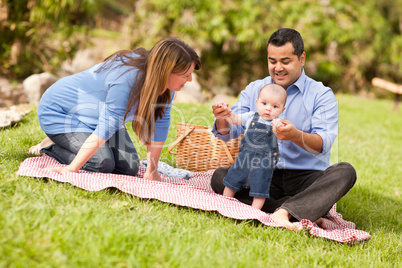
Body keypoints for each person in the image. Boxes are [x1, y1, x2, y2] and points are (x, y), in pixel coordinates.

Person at [211, 28, 356, 230]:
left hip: (305, 177)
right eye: (272, 61)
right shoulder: (256, 89)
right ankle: (301, 210)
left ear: (302, 58)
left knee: (345, 172)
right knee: (220, 178)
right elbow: (229, 133)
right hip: (262, 173)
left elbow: (322, 144)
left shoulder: (321, 95)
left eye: (285, 61)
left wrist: (295, 136)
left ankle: (286, 210)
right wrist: (222, 119)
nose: (277, 68)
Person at [28, 37, 201, 181]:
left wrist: (152, 170)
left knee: (129, 168)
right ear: (166, 70)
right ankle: (49, 146)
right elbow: (106, 127)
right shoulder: (127, 78)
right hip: (61, 113)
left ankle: (76, 144)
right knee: (101, 163)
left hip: (96, 119)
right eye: (186, 75)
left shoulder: (167, 89)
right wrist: (72, 168)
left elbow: (160, 126)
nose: (190, 80)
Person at [215, 84, 286, 209]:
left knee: (260, 188)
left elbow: (284, 135)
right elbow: (234, 119)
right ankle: (224, 203)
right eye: (264, 104)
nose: (268, 109)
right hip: (244, 159)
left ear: (282, 110)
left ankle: (254, 211)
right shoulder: (250, 117)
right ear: (257, 103)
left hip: (264, 164)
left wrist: (281, 128)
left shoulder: (278, 123)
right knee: (232, 179)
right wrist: (227, 112)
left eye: (275, 106)